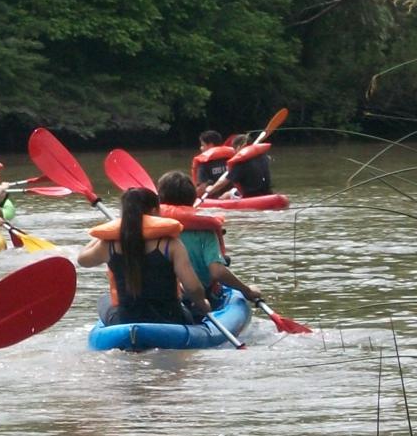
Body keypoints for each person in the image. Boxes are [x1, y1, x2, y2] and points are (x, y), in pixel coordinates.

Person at [77, 187, 210, 326]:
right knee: (190, 308)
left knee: (105, 300)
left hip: (126, 320)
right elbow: (193, 288)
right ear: (154, 211)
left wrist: (106, 235)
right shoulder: (171, 245)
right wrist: (202, 303)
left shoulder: (108, 246)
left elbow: (82, 260)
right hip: (170, 319)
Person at [156, 172, 263, 308]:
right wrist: (246, 290)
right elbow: (217, 271)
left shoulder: (151, 228)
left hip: (159, 297)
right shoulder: (205, 229)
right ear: (192, 198)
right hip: (197, 299)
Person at [203, 131, 275, 200]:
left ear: (239, 147)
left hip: (251, 196)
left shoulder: (240, 162)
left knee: (225, 196)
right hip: (267, 192)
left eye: (234, 149)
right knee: (232, 191)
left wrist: (210, 189)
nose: (234, 152)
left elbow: (224, 182)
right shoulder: (263, 156)